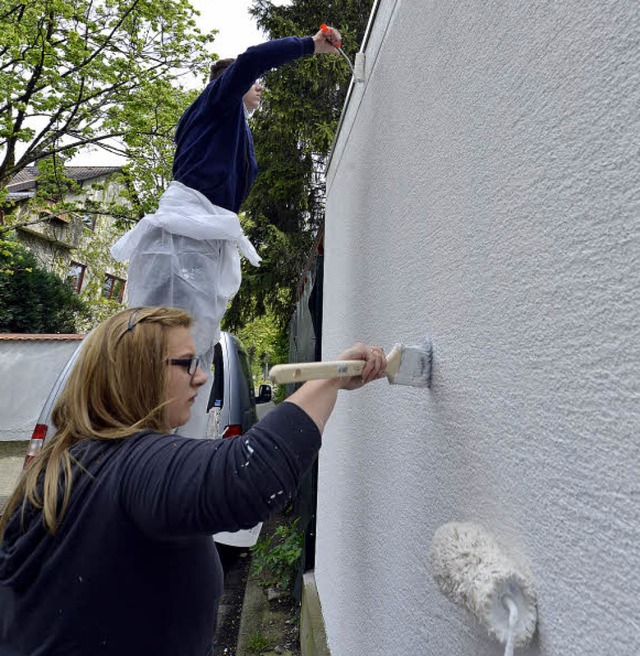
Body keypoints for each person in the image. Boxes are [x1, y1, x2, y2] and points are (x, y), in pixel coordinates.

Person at [0, 306, 386, 656]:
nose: (201, 377)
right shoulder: (126, 464)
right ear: (139, 374)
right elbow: (249, 474)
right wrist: (331, 378)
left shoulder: (70, 462)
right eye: (186, 363)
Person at [111, 27, 342, 439]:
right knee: (164, 348)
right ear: (229, 84)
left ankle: (176, 448)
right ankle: (147, 446)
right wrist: (311, 44)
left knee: (190, 349)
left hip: (199, 239)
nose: (260, 89)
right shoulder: (217, 103)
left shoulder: (228, 127)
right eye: (254, 84)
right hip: (182, 242)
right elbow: (253, 58)